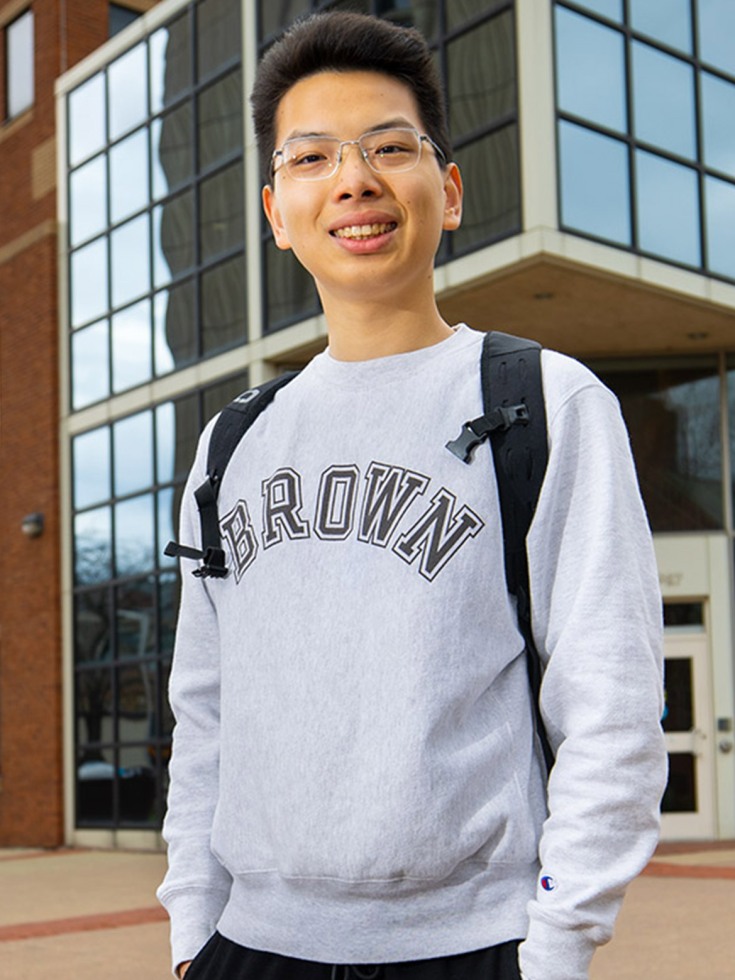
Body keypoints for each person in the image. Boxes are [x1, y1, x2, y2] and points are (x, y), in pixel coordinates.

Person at [157, 11, 667, 980]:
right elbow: (207, 713)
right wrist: (194, 932)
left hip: (472, 949)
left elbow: (612, 707)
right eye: (312, 157)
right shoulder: (231, 443)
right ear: (276, 210)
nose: (354, 179)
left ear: (451, 189)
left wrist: (555, 946)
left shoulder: (543, 402)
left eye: (390, 146)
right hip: (249, 950)